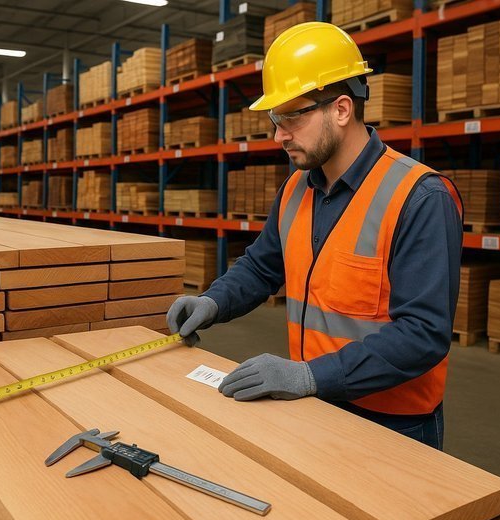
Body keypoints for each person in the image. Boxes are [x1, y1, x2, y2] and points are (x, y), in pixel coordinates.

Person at [166, 22, 463, 450]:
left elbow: (423, 334)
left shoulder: (419, 198)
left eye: (291, 116)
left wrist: (309, 375)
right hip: (314, 404)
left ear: (341, 109)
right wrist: (214, 301)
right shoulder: (296, 189)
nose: (278, 134)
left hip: (393, 426)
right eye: (275, 118)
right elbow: (262, 265)